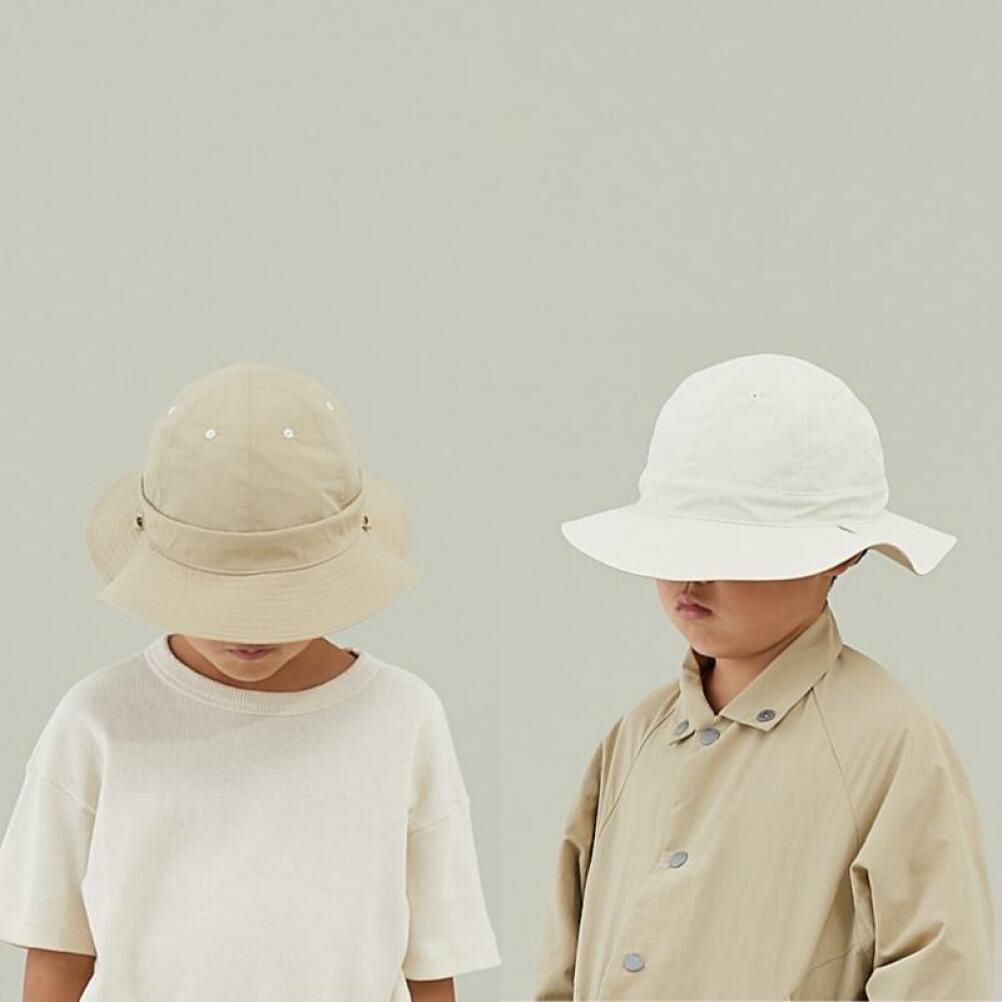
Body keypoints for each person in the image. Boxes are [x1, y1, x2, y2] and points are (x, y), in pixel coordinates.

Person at [0, 361, 501, 1002]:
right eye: (216, 597)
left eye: (279, 600)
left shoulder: (402, 718)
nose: (248, 630)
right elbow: (57, 952)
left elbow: (431, 963)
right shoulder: (98, 721)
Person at [533, 353, 995, 1001]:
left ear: (845, 556)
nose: (691, 576)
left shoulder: (889, 742)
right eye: (674, 545)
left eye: (730, 551)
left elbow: (940, 975)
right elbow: (565, 961)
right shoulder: (635, 738)